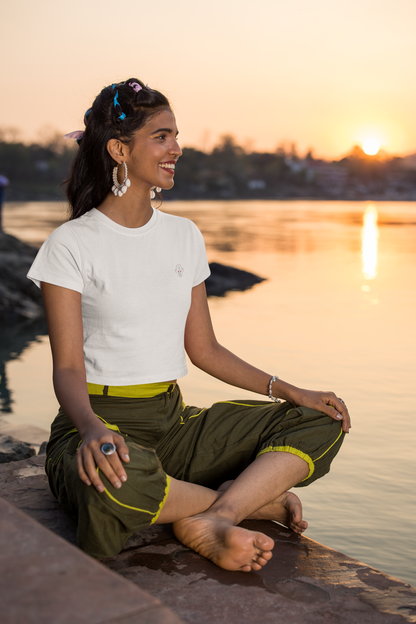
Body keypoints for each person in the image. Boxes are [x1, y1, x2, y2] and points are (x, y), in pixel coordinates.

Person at [27, 79, 350, 572]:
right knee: (114, 481)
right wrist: (91, 429)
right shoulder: (71, 245)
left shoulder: (183, 236)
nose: (177, 148)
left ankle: (213, 515)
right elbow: (68, 366)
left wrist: (292, 391)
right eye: (161, 136)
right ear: (119, 149)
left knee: (320, 418)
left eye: (176, 135)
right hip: (97, 422)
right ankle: (251, 504)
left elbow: (206, 350)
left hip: (173, 422)